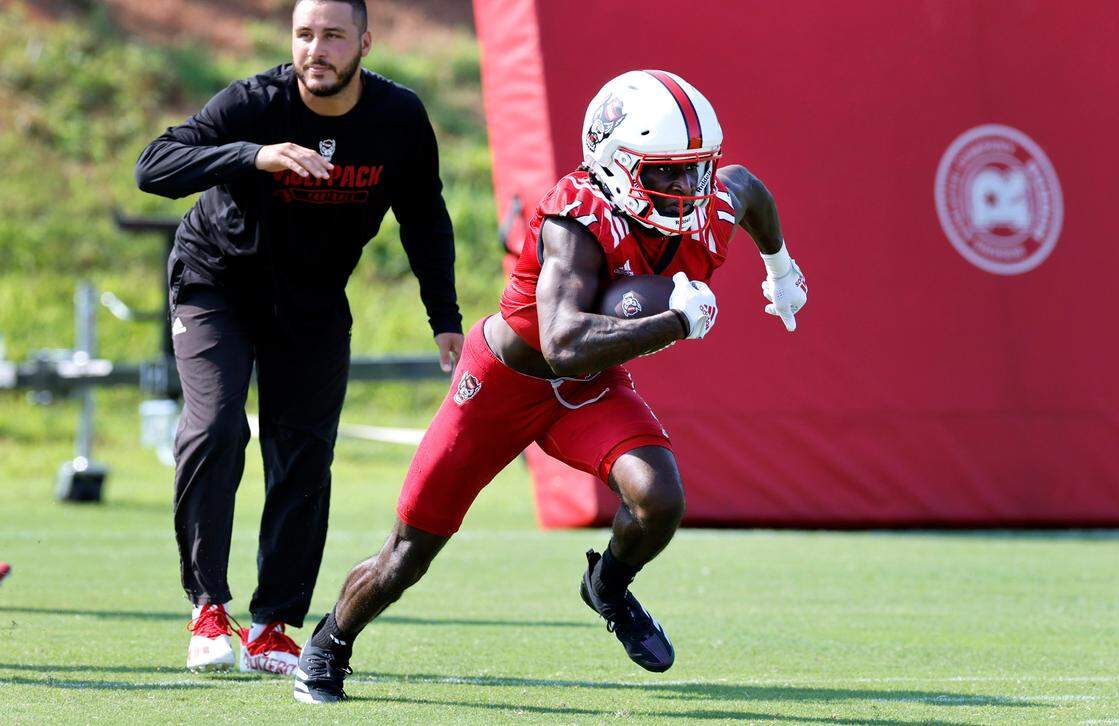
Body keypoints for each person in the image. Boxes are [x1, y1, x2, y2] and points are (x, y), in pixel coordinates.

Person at [292, 69, 809, 704]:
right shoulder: (576, 216)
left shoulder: (713, 202)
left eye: (691, 170)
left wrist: (780, 269)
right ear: (615, 163)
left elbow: (748, 190)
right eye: (663, 172)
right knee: (407, 555)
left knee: (660, 499)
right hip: (504, 383)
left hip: (588, 388)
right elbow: (562, 344)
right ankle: (328, 644)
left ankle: (608, 589)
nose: (684, 188)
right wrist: (675, 321)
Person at [134, 0, 464, 676]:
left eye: (334, 36)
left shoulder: (398, 119)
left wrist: (445, 318)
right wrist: (253, 155)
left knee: (305, 456)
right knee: (216, 425)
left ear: (364, 42)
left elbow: (425, 219)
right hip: (215, 285)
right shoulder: (255, 103)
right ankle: (207, 608)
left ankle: (273, 626)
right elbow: (154, 165)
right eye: (305, 35)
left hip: (312, 304)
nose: (317, 49)